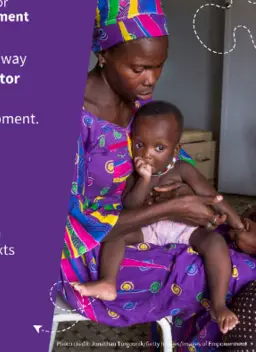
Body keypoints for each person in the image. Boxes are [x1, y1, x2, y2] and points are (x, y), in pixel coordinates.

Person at [59, 0, 256, 351]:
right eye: (139, 68)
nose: (151, 80)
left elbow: (177, 164)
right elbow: (69, 225)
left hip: (143, 225)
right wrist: (173, 207)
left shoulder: (138, 109)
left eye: (158, 66)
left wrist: (202, 204)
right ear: (104, 55)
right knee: (237, 272)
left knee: (225, 246)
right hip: (88, 254)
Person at [73, 100, 250, 334]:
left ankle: (218, 304)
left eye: (159, 148)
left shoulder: (183, 170)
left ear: (175, 150)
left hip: (185, 229)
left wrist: (236, 221)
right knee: (114, 234)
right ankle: (108, 281)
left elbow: (212, 196)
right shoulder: (134, 174)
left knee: (215, 242)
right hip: (147, 227)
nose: (147, 154)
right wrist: (144, 181)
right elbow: (130, 206)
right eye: (139, 144)